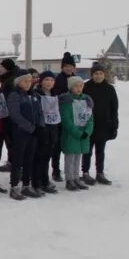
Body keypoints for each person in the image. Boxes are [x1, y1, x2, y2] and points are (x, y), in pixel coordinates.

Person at [7, 69, 44, 200]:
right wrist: (30, 128)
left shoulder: (34, 95)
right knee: (18, 161)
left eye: (29, 81)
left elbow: (40, 112)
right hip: (20, 133)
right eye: (25, 81)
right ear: (18, 82)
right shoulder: (14, 95)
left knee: (29, 159)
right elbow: (15, 115)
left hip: (33, 133)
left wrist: (40, 126)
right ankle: (14, 187)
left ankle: (26, 186)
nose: (28, 83)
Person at [82, 63, 119, 185]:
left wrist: (114, 126)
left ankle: (100, 173)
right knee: (87, 150)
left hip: (104, 125)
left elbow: (114, 109)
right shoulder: (85, 87)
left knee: (100, 150)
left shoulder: (109, 89)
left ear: (104, 75)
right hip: (88, 124)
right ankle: (85, 173)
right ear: (92, 75)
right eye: (96, 74)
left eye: (100, 73)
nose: (98, 76)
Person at [60, 76, 95, 191]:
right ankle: (69, 179)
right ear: (71, 87)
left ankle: (76, 178)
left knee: (78, 158)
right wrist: (77, 132)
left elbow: (90, 119)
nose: (79, 88)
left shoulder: (86, 100)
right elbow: (66, 120)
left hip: (83, 135)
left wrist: (87, 132)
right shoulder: (67, 100)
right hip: (71, 135)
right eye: (76, 86)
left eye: (81, 86)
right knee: (70, 158)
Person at [32, 71, 61, 194]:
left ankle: (45, 180)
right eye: (46, 80)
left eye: (52, 80)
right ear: (41, 81)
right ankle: (36, 182)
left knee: (47, 157)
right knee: (38, 158)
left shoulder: (55, 94)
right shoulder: (36, 94)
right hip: (41, 130)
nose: (49, 82)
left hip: (52, 130)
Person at [51, 52, 78, 180]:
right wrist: (63, 97)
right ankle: (56, 170)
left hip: (73, 118)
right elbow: (53, 96)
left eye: (71, 66)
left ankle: (73, 171)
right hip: (59, 117)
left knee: (71, 144)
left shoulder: (76, 79)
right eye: (66, 66)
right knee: (57, 145)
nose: (68, 68)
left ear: (74, 67)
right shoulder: (58, 80)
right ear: (62, 67)